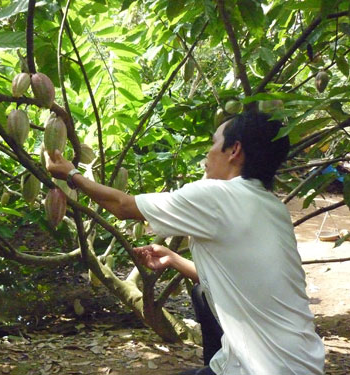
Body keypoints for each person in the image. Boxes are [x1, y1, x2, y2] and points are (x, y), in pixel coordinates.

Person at [45, 111, 325, 375]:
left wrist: (71, 175)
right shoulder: (273, 208)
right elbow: (242, 279)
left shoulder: (217, 196)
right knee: (202, 293)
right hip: (299, 360)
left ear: (234, 150)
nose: (208, 152)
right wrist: (173, 259)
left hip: (266, 367)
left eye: (214, 143)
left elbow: (123, 206)